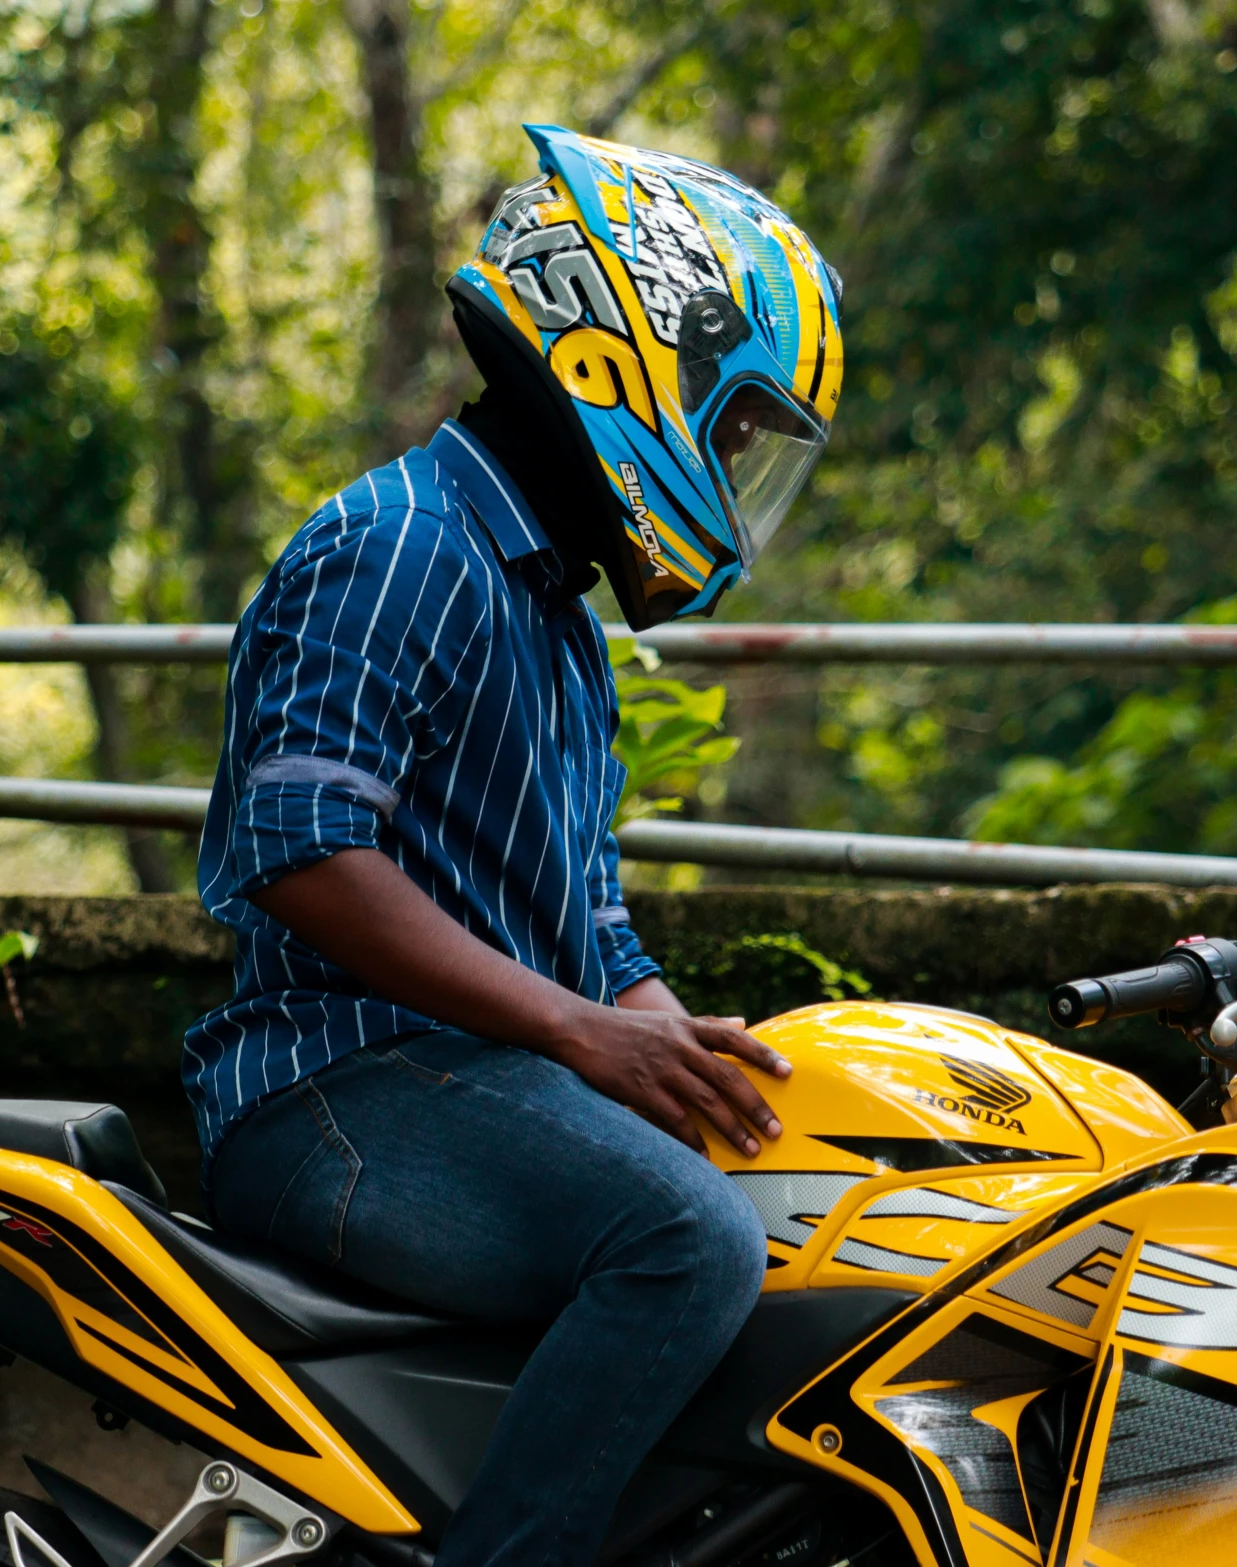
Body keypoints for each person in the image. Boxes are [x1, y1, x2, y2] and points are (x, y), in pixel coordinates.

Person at [184, 124, 846, 1567]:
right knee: (688, 1240)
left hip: (469, 1080)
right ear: (634, 364)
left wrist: (669, 1041)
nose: (732, 470)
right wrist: (575, 1033)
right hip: (337, 1088)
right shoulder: (401, 546)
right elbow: (300, 850)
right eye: (731, 430)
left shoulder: (548, 608)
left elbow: (585, 919)